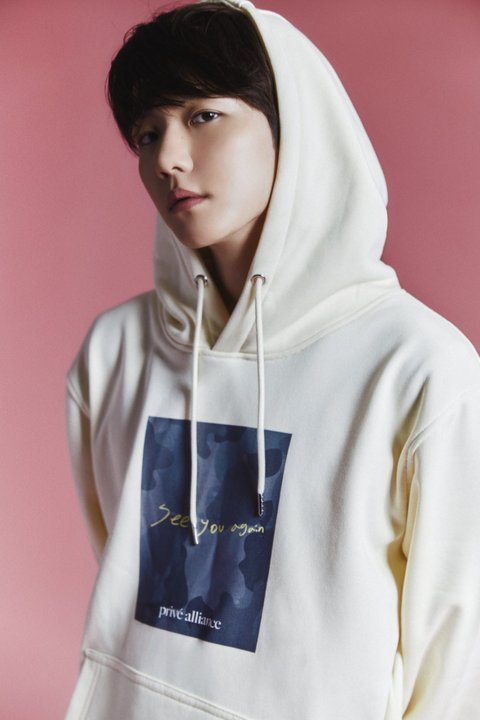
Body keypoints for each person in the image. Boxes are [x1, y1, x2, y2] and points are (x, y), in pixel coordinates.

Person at [65, 1, 480, 718]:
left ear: (294, 123)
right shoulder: (116, 351)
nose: (166, 158)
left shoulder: (418, 367)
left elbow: (457, 647)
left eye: (203, 115)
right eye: (147, 132)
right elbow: (123, 573)